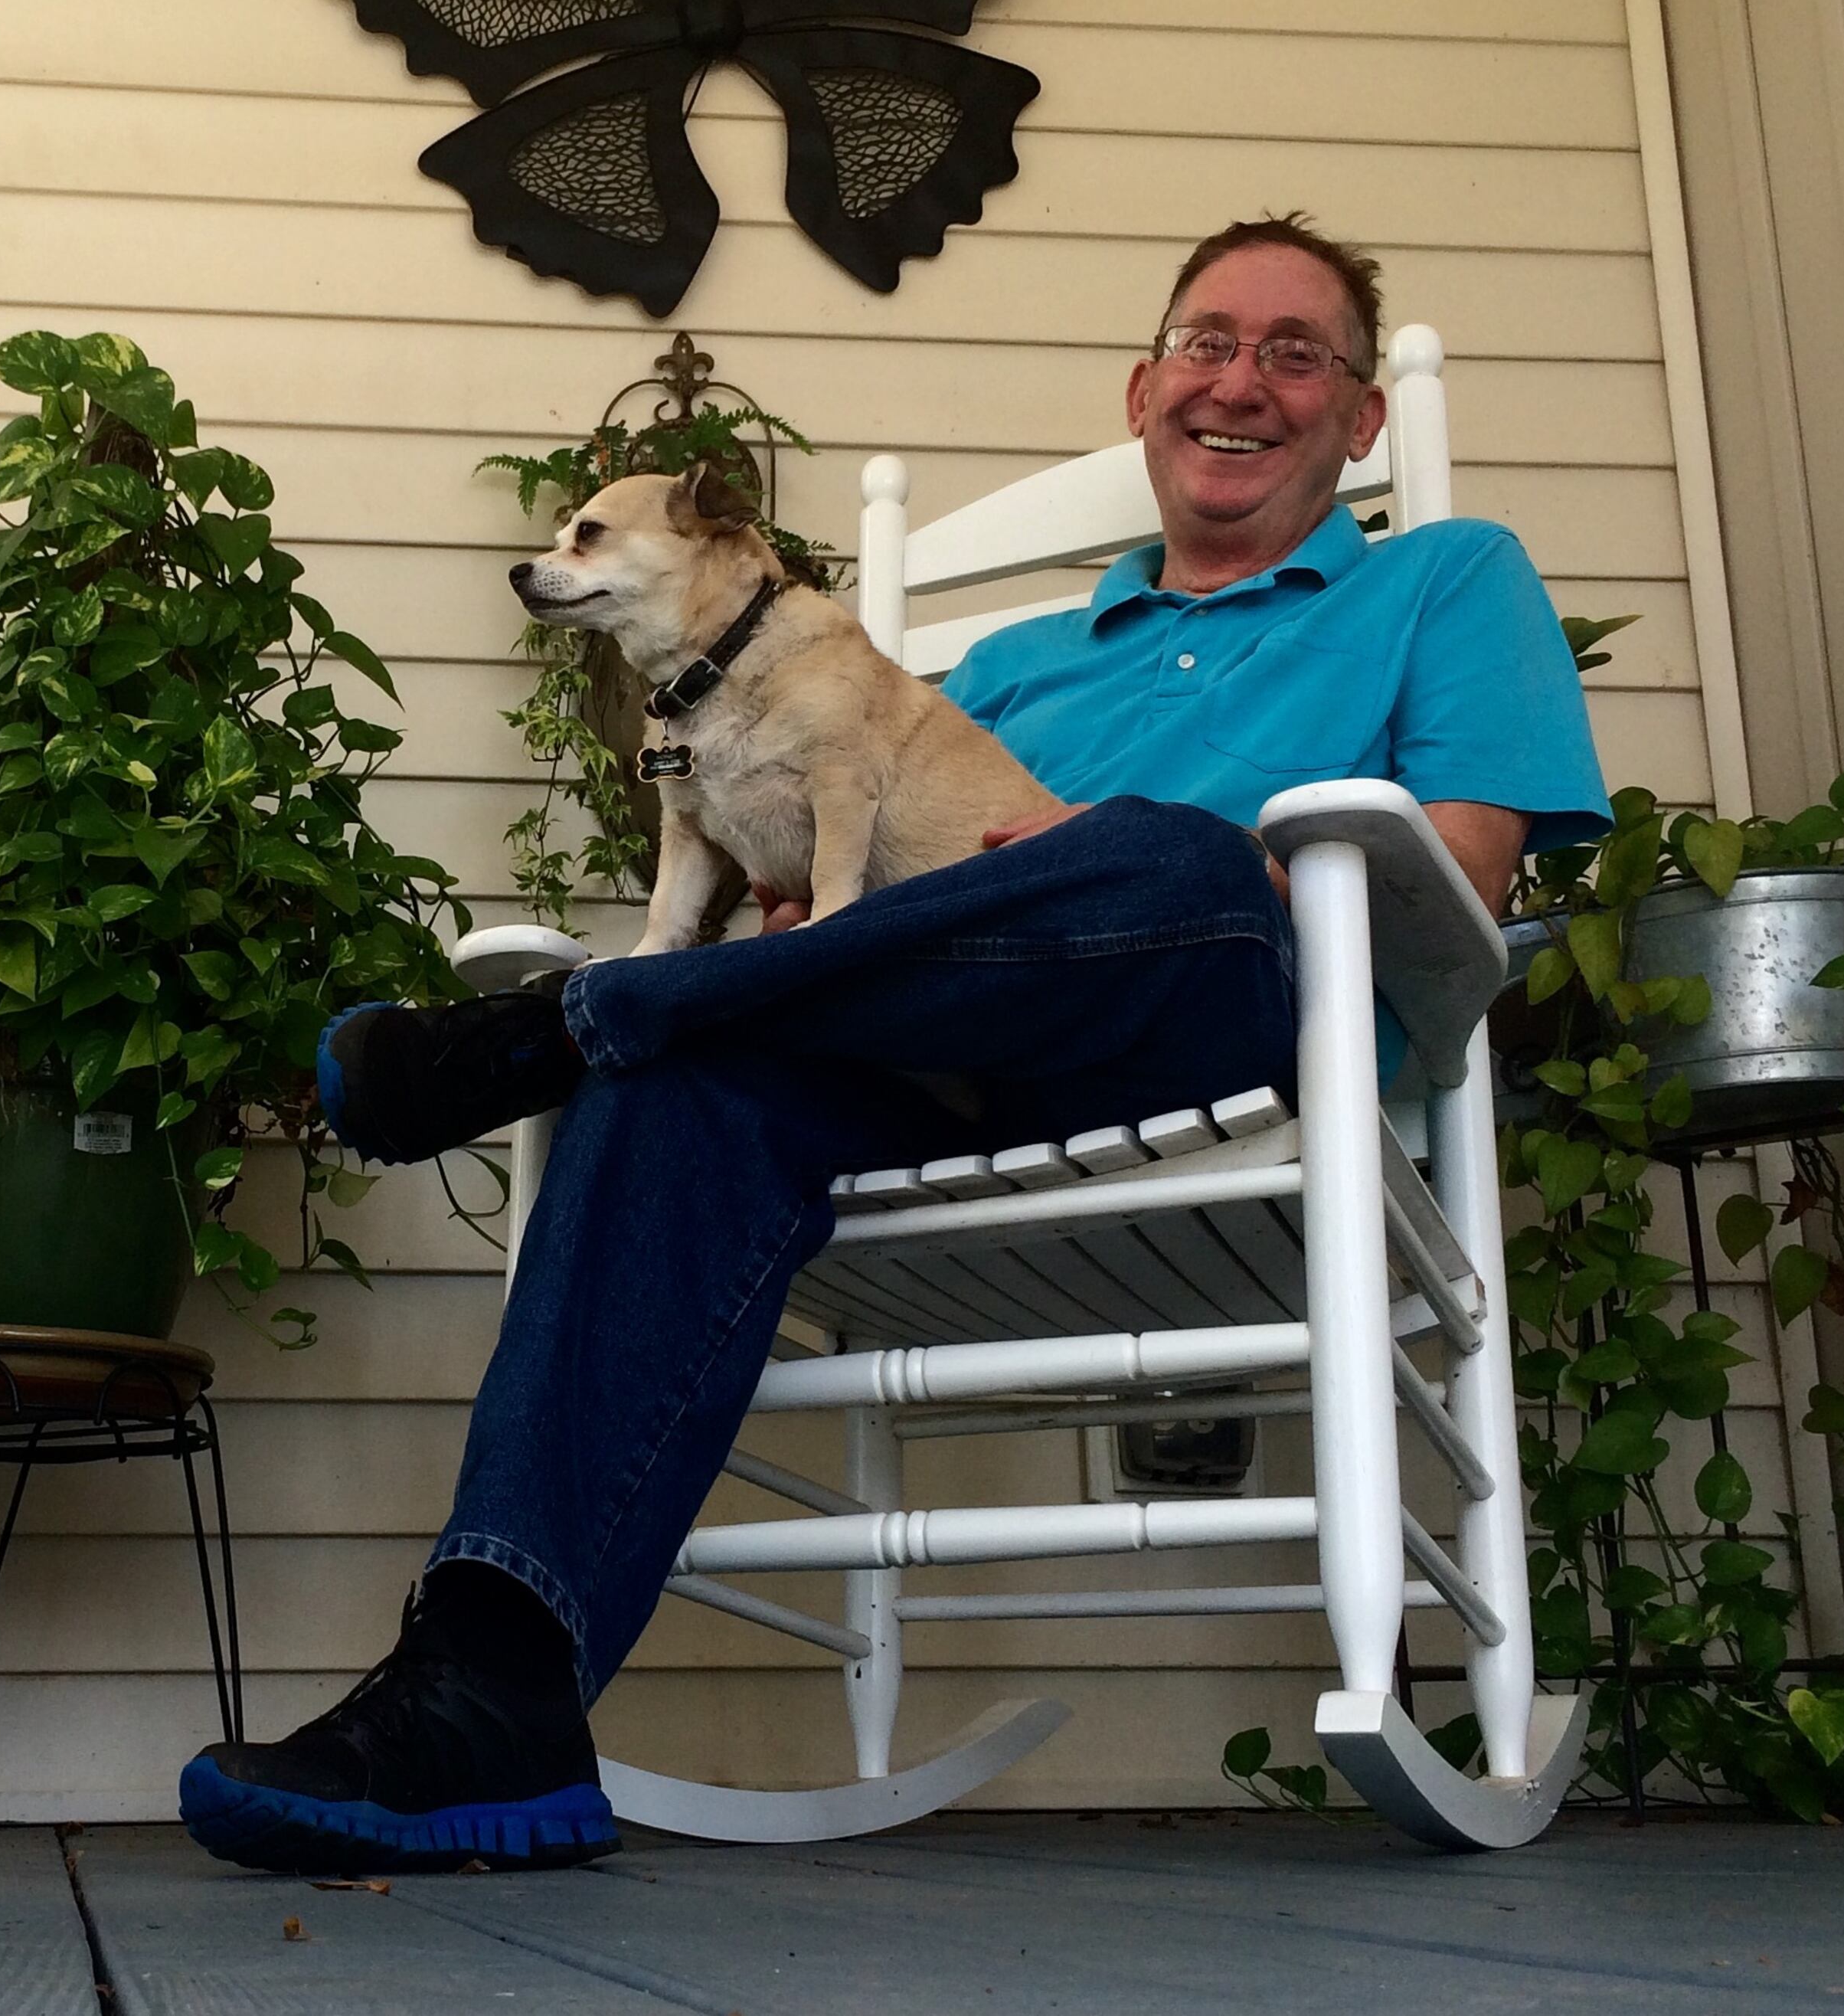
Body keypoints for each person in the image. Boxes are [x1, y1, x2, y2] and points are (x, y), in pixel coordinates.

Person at [176, 214, 1613, 1875]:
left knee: (1168, 852)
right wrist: (821, 930)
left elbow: (1468, 867)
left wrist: (1104, 863)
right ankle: (488, 1682)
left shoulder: (1452, 576)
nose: (1245, 382)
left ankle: (564, 1023)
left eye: (1299, 353)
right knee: (692, 1083)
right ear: (1146, 389)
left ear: (1362, 420)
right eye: (1209, 344)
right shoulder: (1006, 668)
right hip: (944, 1077)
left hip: (1226, 1032)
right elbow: (850, 864)